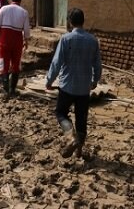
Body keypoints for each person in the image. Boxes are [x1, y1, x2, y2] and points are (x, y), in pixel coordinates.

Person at [46, 8, 102, 158]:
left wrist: (49, 80)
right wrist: (95, 80)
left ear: (70, 22)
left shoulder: (66, 39)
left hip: (67, 86)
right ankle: (79, 151)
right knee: (81, 118)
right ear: (83, 21)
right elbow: (97, 64)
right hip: (84, 87)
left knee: (61, 112)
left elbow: (56, 63)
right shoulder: (93, 40)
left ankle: (70, 137)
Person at [0, 0, 30, 96]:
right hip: (17, 42)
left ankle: (5, 90)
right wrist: (26, 40)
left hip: (4, 40)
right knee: (16, 65)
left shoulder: (4, 9)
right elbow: (26, 30)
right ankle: (12, 90)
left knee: (3, 63)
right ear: (20, 2)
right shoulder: (24, 12)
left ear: (11, 1)